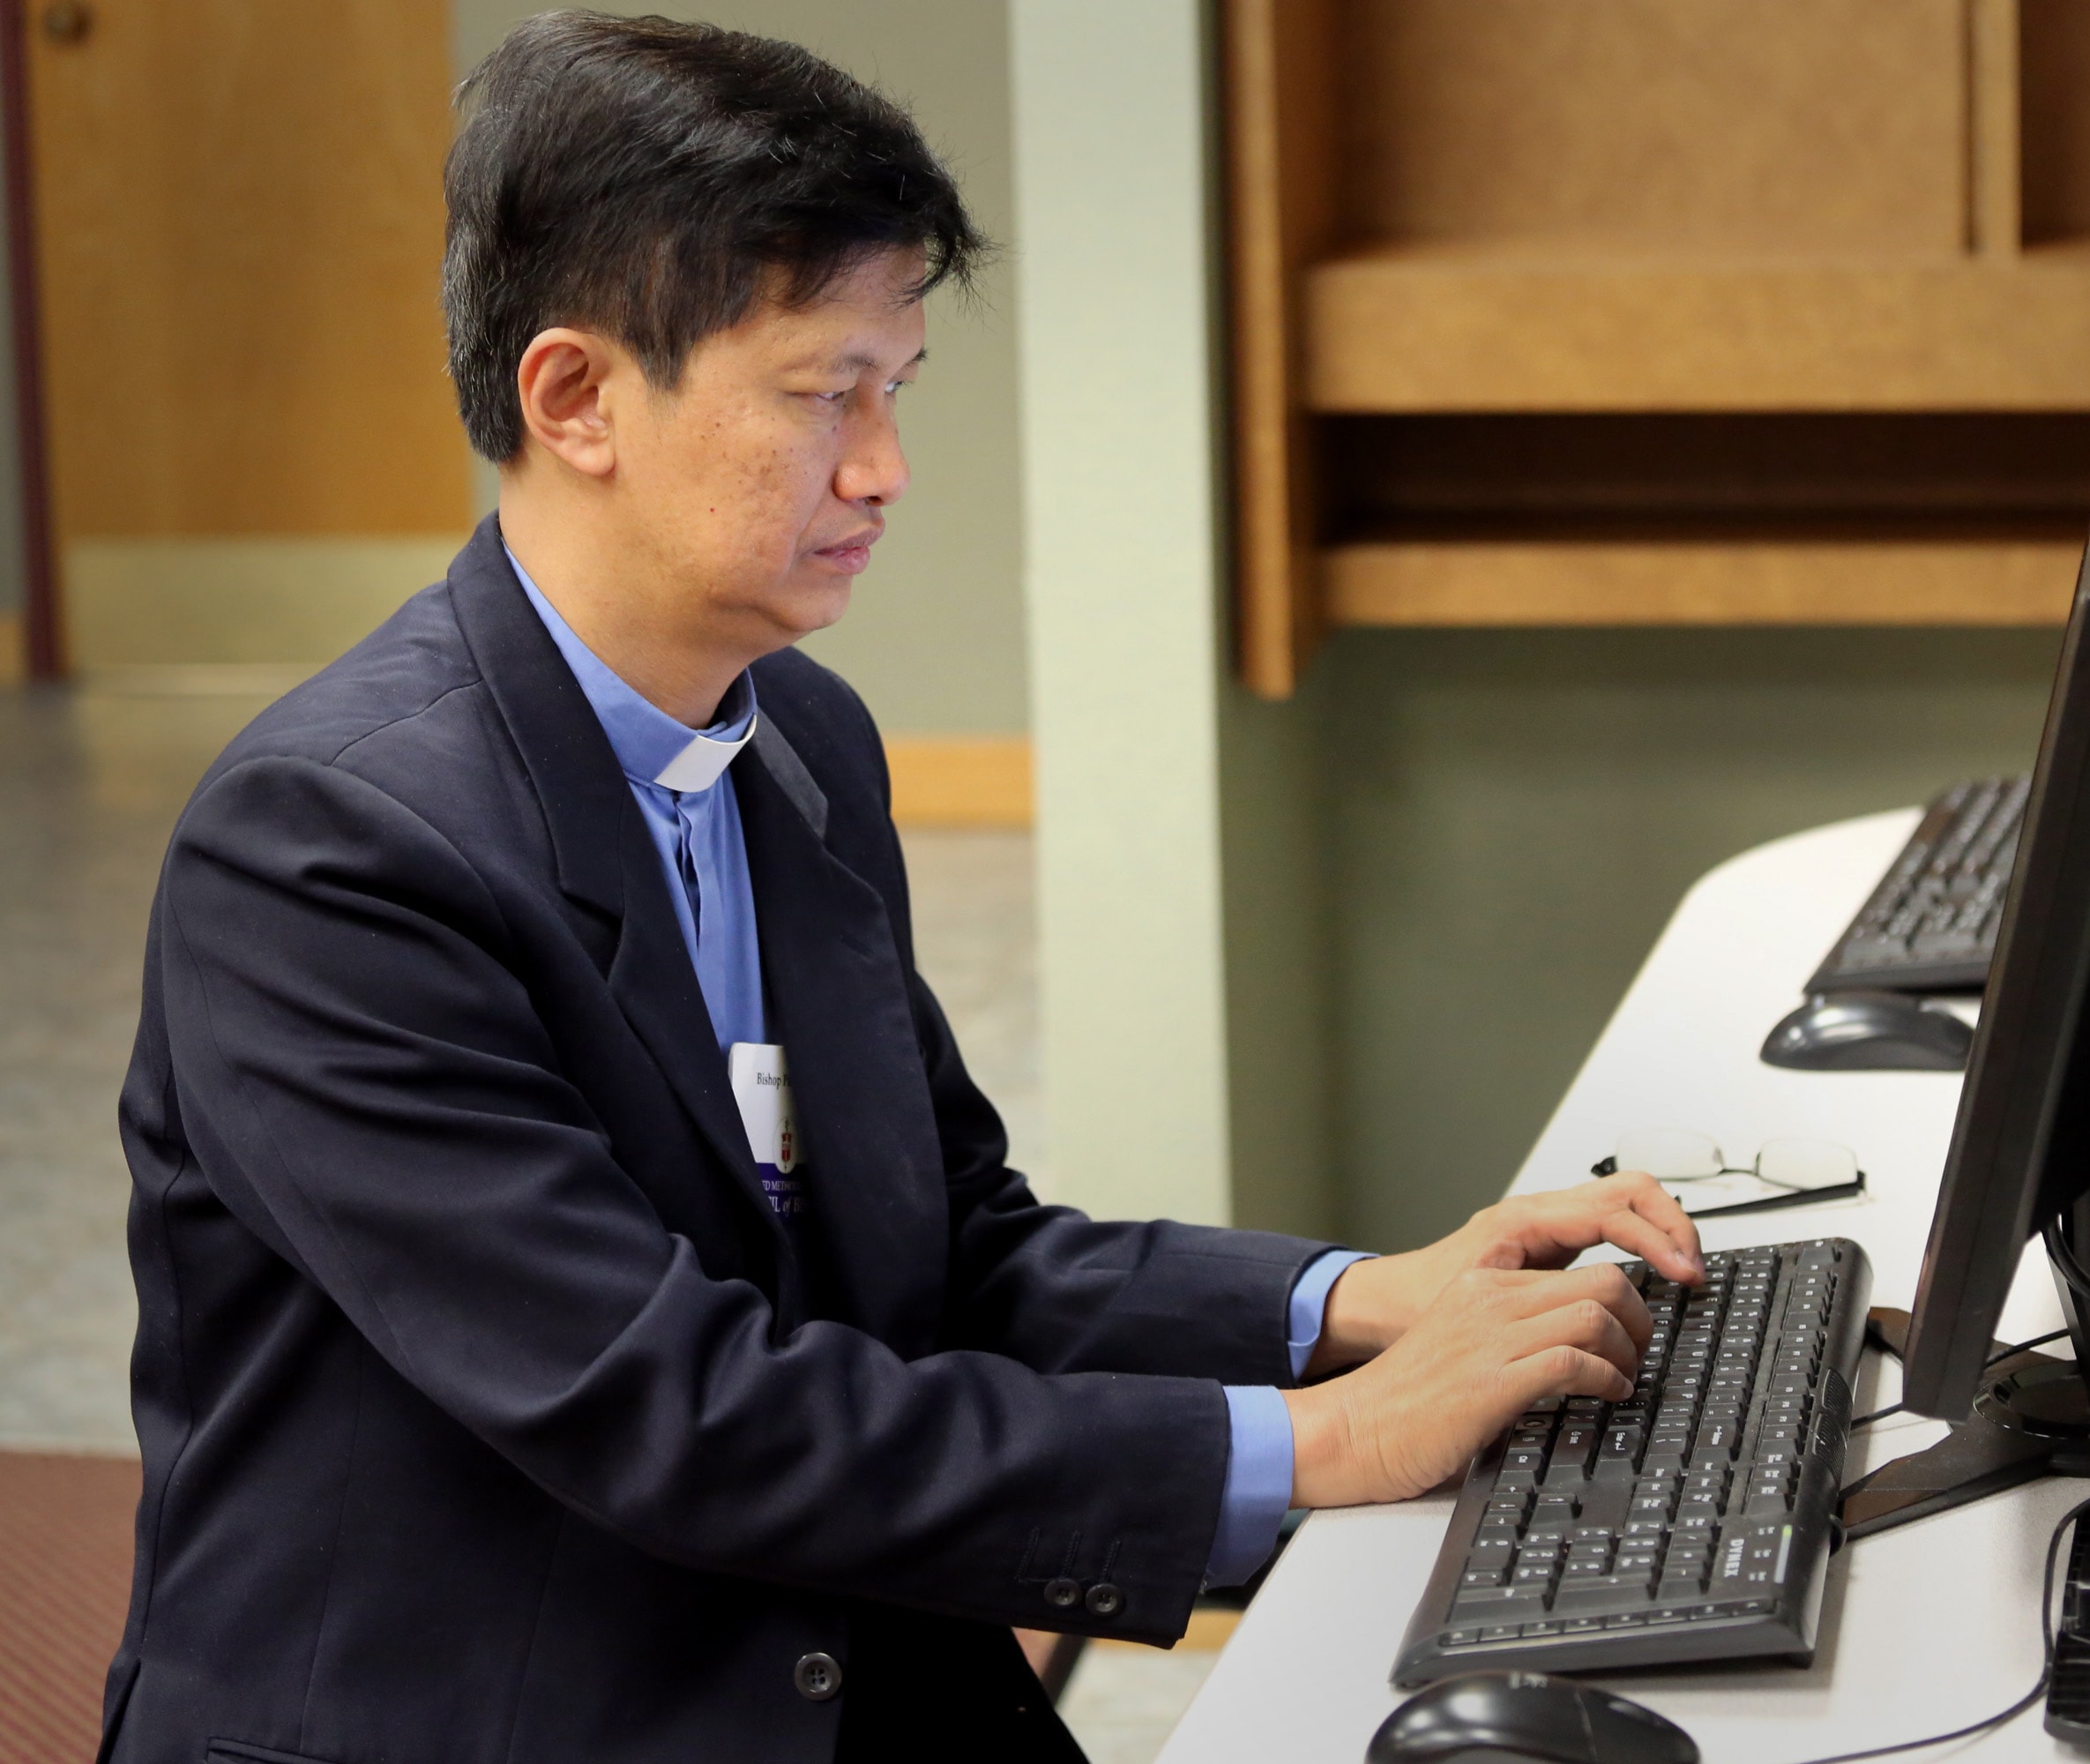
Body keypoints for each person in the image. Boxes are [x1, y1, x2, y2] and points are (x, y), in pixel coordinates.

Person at [102, 14, 1704, 1763]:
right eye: (821, 394)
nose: (883, 469)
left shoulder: (796, 740)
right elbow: (677, 1411)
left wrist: (1355, 1298)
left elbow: (959, 1252)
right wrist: (1321, 1442)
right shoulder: (329, 853)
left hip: (828, 1654)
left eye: (894, 388)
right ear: (574, 400)